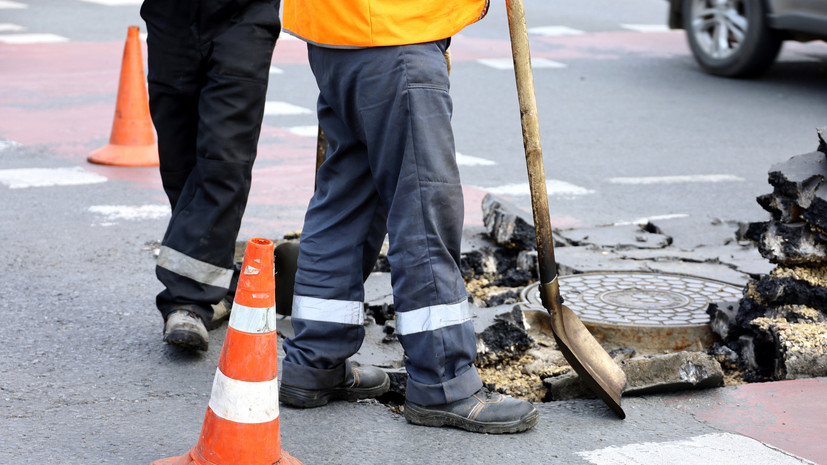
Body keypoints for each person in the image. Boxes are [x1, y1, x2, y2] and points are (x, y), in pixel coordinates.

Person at [277, 0, 539, 433]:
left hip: (334, 33)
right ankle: (443, 382)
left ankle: (314, 361)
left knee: (346, 198)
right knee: (423, 207)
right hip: (397, 29)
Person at [140, 0, 281, 351]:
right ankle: (216, 274)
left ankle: (187, 302)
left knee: (224, 158)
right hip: (171, 15)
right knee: (179, 160)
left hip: (245, 16)